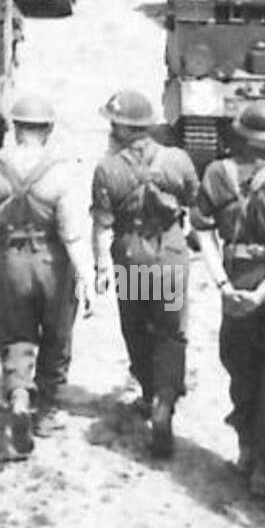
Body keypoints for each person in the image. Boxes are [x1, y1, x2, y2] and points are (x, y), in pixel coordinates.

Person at [191, 100, 265, 500]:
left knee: (242, 369)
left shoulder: (215, 173)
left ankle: (245, 450)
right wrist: (260, 295)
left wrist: (224, 284)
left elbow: (202, 232)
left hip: (234, 283)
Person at [0, 94, 94, 459]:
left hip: (10, 263)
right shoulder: (61, 169)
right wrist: (86, 277)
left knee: (15, 334)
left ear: (14, 128)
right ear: (48, 129)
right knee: (56, 334)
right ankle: (48, 411)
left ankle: (20, 397)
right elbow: (72, 232)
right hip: (52, 263)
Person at [90, 90, 198, 458]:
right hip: (169, 259)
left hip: (133, 258)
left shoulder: (108, 169)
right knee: (171, 333)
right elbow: (194, 204)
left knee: (136, 327)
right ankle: (164, 406)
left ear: (121, 128)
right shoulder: (178, 159)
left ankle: (150, 391)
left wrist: (101, 266)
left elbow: (102, 225)